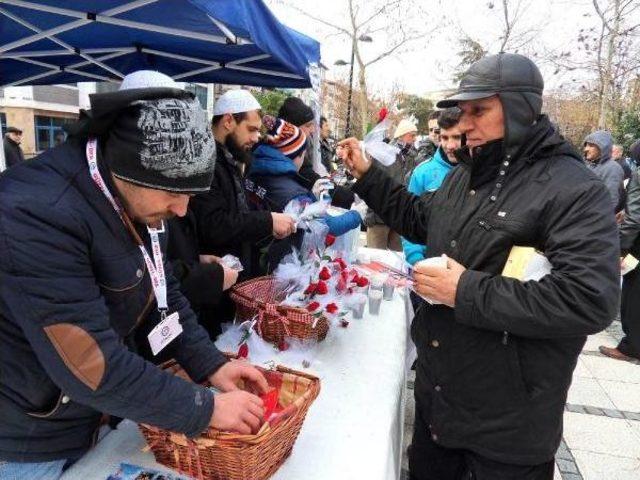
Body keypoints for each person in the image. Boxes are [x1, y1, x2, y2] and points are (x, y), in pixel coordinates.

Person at [338, 53, 620, 480]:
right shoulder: (466, 176)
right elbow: (419, 217)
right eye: (462, 111)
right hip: (441, 406)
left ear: (522, 108)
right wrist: (367, 174)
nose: (464, 123)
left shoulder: (573, 188)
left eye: (479, 110)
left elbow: (589, 299)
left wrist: (464, 290)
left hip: (508, 428)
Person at [0, 71, 268, 479]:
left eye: (190, 196)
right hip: (29, 442)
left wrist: (210, 364)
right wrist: (206, 407)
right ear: (128, 170)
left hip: (96, 418)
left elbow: (163, 293)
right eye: (173, 194)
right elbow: (91, 363)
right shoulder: (37, 213)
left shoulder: (131, 197)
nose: (181, 211)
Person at [190, 89, 296, 281]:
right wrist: (268, 221)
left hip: (229, 276)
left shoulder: (230, 158)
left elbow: (237, 216)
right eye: (251, 129)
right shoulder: (205, 163)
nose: (256, 138)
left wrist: (269, 228)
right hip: (213, 284)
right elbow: (214, 225)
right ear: (228, 121)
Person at [248, 115, 363, 269]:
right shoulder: (292, 192)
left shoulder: (253, 172)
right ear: (295, 155)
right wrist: (357, 214)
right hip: (278, 267)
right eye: (303, 155)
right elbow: (329, 226)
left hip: (251, 256)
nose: (304, 160)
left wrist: (312, 200)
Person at [402, 108, 462, 266]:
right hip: (427, 264)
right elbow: (409, 218)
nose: (450, 145)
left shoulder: (480, 173)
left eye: (457, 137)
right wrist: (416, 258)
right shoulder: (422, 172)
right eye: (444, 137)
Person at [601, 139, 640, 362]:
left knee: (633, 297)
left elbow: (635, 218)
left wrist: (621, 246)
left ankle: (630, 347)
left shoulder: (638, 175)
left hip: (637, 246)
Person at [278, 96, 355, 209]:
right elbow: (313, 180)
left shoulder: (290, 153)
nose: (313, 130)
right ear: (292, 128)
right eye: (308, 125)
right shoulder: (287, 158)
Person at [365, 118, 419, 251]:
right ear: (401, 135)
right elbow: (371, 182)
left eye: (415, 135)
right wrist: (371, 212)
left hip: (400, 218)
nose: (415, 139)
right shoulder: (384, 152)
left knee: (398, 261)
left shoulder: (413, 157)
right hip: (379, 217)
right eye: (412, 135)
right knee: (375, 260)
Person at [583, 130, 625, 213]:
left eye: (591, 145)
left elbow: (610, 202)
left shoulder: (612, 168)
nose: (586, 149)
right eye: (586, 145)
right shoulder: (588, 165)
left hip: (597, 220)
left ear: (602, 147)